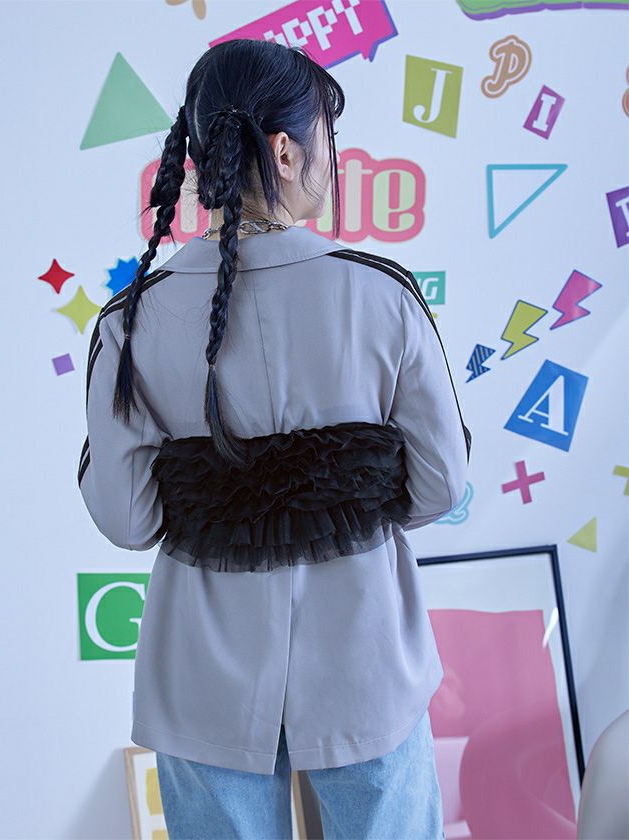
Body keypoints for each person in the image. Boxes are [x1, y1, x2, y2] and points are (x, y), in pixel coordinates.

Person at [78, 37, 470, 840]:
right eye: (329, 136)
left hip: (204, 676)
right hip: (365, 660)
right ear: (287, 152)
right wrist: (340, 487)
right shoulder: (383, 296)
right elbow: (439, 486)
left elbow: (127, 520)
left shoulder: (130, 323)